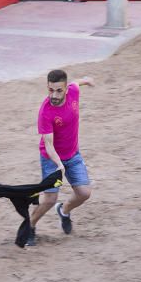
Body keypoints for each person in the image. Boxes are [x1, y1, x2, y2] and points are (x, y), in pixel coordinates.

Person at [25, 69, 94, 247]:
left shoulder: (73, 91)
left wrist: (86, 80)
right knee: (49, 199)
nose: (54, 95)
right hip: (51, 159)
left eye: (58, 90)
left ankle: (64, 211)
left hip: (73, 154)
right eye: (50, 90)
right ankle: (30, 226)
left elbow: (76, 83)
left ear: (65, 88)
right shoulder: (46, 112)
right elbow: (48, 145)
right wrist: (59, 165)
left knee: (84, 193)